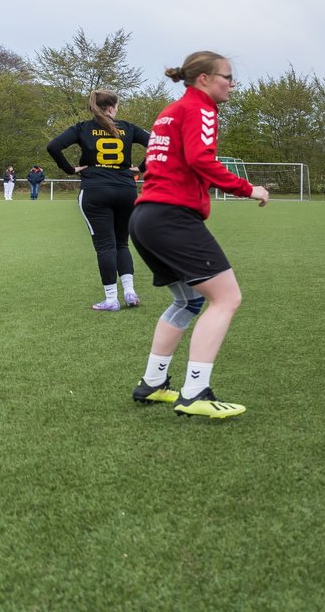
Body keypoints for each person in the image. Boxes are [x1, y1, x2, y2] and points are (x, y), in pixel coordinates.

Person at [128, 51, 269, 418]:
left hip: (145, 217)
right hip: (172, 217)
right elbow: (200, 159)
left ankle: (153, 384)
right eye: (227, 77)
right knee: (226, 298)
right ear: (203, 78)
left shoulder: (170, 111)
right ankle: (195, 394)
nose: (232, 84)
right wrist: (246, 188)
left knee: (188, 301)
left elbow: (154, 163)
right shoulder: (201, 108)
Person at [47, 89, 152, 311]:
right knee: (122, 243)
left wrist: (70, 169)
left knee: (105, 246)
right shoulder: (128, 128)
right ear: (112, 107)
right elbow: (157, 143)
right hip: (126, 189)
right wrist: (141, 168)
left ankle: (112, 299)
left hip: (95, 190)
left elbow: (53, 146)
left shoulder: (83, 128)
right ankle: (130, 293)